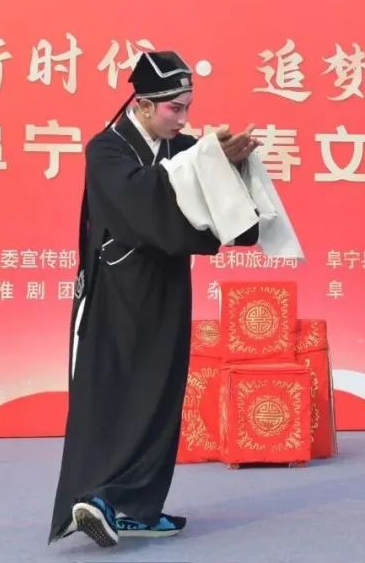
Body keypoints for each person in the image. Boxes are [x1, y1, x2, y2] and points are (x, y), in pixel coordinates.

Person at [48, 51, 265, 549]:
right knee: (113, 391)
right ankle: (96, 495)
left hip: (166, 287)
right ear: (143, 105)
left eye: (187, 108)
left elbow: (208, 197)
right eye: (174, 109)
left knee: (161, 393)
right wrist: (204, 161)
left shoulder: (181, 148)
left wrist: (229, 164)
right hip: (116, 294)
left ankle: (136, 507)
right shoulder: (107, 149)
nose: (183, 119)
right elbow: (142, 198)